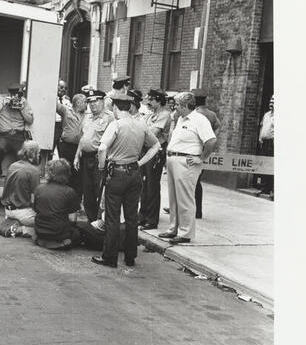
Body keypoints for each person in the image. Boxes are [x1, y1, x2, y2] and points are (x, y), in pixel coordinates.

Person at [91, 94, 160, 268]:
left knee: (112, 217)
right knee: (131, 217)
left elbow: (102, 148)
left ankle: (110, 257)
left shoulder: (116, 125)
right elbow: (156, 145)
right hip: (134, 172)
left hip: (117, 173)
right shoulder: (141, 124)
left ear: (115, 108)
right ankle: (130, 256)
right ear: (129, 107)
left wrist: (101, 166)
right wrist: (140, 162)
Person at [159, 92, 217, 244]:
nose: (175, 107)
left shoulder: (199, 120)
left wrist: (201, 158)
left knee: (185, 198)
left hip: (187, 162)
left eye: (177, 105)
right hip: (174, 159)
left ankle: (185, 233)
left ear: (185, 105)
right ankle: (173, 228)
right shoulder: (180, 119)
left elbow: (211, 141)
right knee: (174, 199)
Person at [73, 89, 114, 222]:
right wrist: (77, 155)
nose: (93, 104)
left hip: (99, 159)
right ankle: (91, 221)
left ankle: (101, 220)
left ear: (102, 101)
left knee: (99, 190)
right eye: (90, 102)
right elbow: (83, 138)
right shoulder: (87, 117)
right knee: (88, 191)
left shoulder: (109, 118)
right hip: (85, 158)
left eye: (96, 101)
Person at [0, 82, 34, 178]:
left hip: (19, 135)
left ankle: (22, 176)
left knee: (22, 155)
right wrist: (1, 105)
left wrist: (22, 109)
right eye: (13, 94)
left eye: (18, 94)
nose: (15, 97)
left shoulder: (24, 102)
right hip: (4, 134)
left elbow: (30, 120)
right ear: (9, 93)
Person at [138, 89, 171, 230]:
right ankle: (142, 217)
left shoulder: (164, 115)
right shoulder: (150, 115)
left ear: (159, 100)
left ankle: (151, 220)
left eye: (151, 100)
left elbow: (153, 133)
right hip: (146, 150)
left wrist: (143, 131)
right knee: (144, 185)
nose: (148, 102)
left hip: (156, 151)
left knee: (152, 186)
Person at [33, 158, 81, 250]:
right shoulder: (69, 191)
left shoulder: (39, 189)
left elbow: (35, 210)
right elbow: (72, 219)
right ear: (67, 173)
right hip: (58, 234)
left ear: (49, 172)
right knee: (78, 232)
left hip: (40, 232)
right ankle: (63, 242)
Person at [191, 88, 221, 218]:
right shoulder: (211, 114)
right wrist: (212, 137)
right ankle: (198, 210)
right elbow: (218, 126)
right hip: (205, 149)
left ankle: (192, 209)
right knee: (197, 180)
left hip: (195, 149)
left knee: (191, 181)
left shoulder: (195, 114)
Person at [1, 140, 41, 238]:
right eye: (38, 153)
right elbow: (34, 199)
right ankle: (22, 229)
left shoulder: (13, 166)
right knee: (50, 222)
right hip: (23, 213)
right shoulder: (34, 171)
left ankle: (12, 221)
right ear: (34, 154)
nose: (39, 155)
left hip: (8, 210)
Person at [56, 93, 87, 201]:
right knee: (66, 170)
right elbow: (55, 105)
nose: (87, 104)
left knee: (78, 173)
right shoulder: (66, 111)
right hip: (66, 146)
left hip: (80, 148)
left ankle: (77, 199)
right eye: (85, 102)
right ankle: (65, 197)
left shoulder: (88, 115)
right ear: (78, 103)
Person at [258, 94, 274, 196]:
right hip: (264, 143)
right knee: (264, 165)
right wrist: (260, 137)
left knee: (271, 165)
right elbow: (262, 126)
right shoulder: (266, 115)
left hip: (271, 143)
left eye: (273, 102)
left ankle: (272, 189)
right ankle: (265, 188)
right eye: (270, 101)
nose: (271, 103)